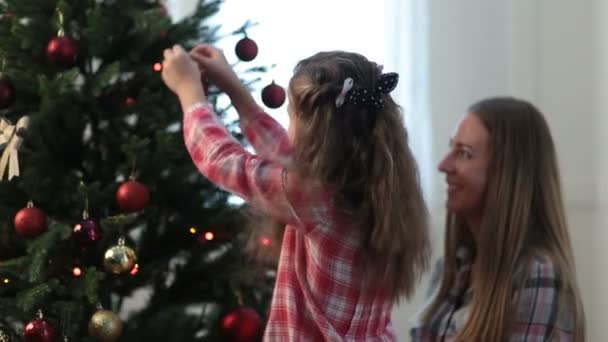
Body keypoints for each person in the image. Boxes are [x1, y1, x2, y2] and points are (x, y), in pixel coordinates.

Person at [160, 44, 431, 341]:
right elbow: (286, 156)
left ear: (315, 132)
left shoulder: (318, 198)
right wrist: (237, 92)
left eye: (291, 115)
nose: (289, 126)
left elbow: (222, 161)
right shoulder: (380, 184)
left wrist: (190, 94)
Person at [411, 97, 586, 341]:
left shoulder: (538, 275)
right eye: (451, 148)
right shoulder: (451, 268)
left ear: (507, 174)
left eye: (464, 153)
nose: (443, 165)